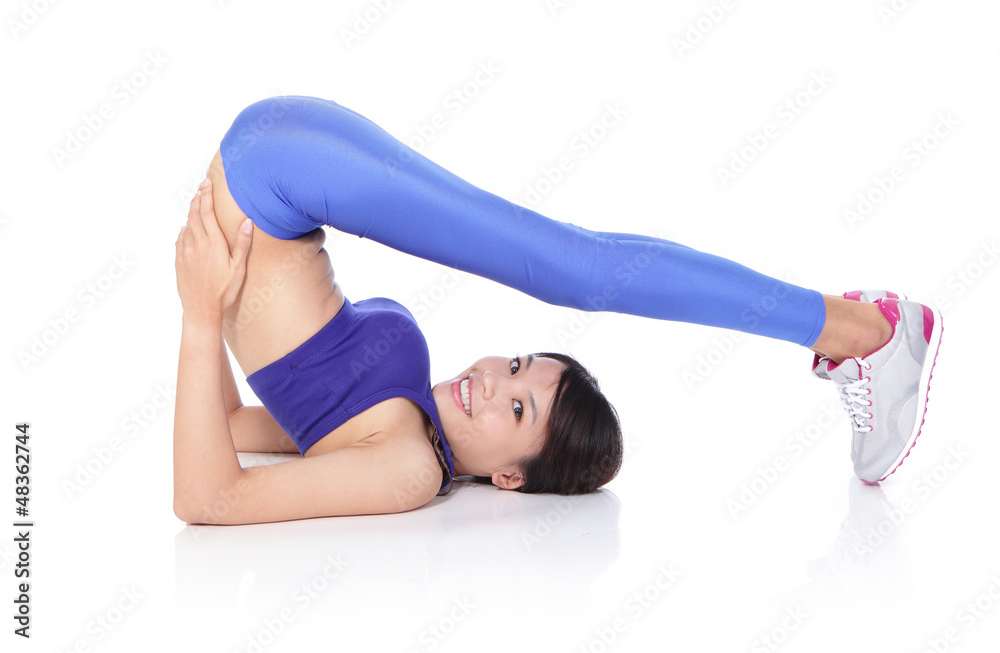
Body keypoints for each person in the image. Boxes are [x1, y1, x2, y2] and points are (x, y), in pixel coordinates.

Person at [172, 96, 942, 525]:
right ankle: (863, 328)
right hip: (282, 167)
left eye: (515, 405)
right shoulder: (406, 432)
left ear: (508, 476)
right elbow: (236, 450)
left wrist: (200, 318)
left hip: (274, 173)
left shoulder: (406, 470)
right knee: (575, 266)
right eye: (516, 370)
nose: (488, 380)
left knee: (578, 268)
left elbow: (212, 487)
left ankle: (867, 331)